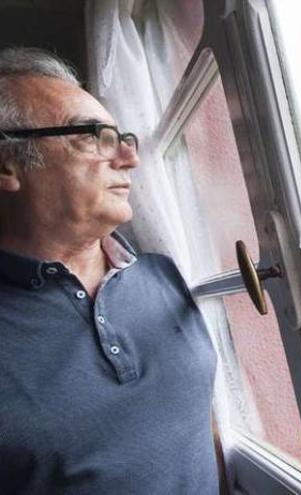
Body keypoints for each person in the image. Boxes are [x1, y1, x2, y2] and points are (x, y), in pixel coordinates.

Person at [0, 47, 222, 494]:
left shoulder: (165, 277)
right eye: (91, 135)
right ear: (7, 165)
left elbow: (204, 427)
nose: (128, 158)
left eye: (123, 137)